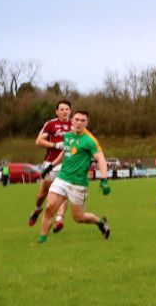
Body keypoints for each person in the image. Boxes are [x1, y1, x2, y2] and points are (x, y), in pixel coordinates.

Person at [39, 110, 111, 243]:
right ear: (72, 120)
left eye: (83, 121)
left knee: (79, 217)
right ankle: (41, 242)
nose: (79, 123)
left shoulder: (90, 140)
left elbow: (101, 159)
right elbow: (65, 153)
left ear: (87, 123)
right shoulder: (67, 136)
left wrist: (104, 179)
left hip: (78, 183)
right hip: (62, 178)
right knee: (50, 208)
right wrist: (50, 166)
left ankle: (100, 221)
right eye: (77, 119)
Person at [29, 100, 72, 232]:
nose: (64, 112)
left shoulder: (75, 125)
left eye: (67, 109)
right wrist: (54, 145)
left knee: (63, 192)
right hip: (51, 164)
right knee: (42, 194)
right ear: (57, 111)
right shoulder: (51, 124)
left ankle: (59, 220)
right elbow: (39, 141)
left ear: (70, 111)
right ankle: (37, 210)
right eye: (62, 109)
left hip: (67, 164)